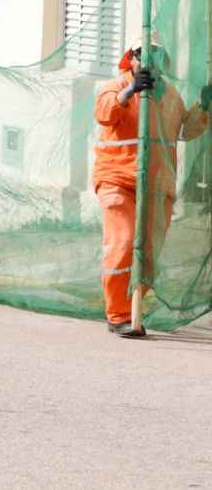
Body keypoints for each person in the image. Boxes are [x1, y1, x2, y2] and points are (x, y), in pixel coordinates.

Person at [92, 38, 209, 338]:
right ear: (131, 58)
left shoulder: (170, 95)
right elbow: (105, 111)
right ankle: (118, 314)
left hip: (157, 186)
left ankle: (132, 309)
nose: (150, 61)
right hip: (118, 179)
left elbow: (186, 130)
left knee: (147, 252)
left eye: (156, 56)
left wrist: (204, 107)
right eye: (144, 55)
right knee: (124, 241)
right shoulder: (116, 86)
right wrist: (130, 91)